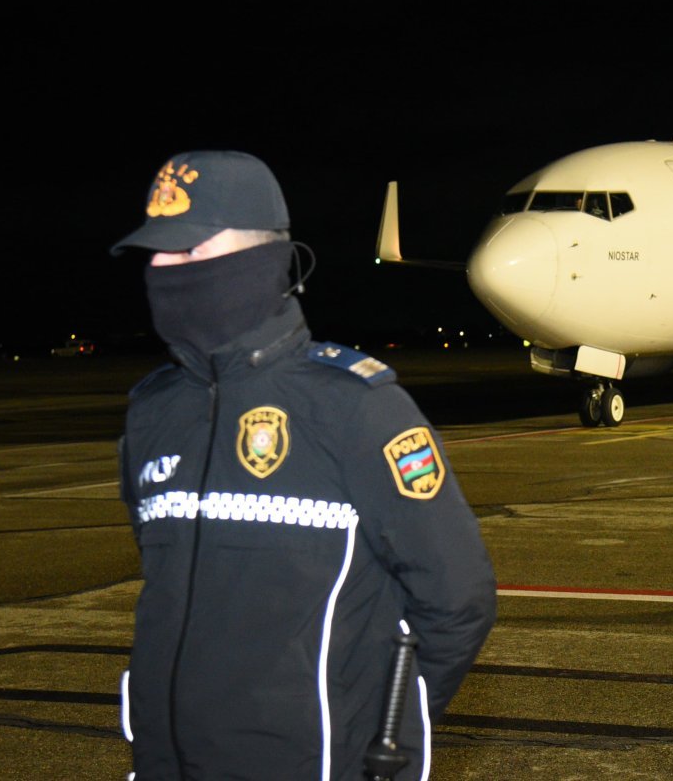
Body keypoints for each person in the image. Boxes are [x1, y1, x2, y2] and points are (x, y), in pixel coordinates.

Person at [111, 151, 496, 781]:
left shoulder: (356, 407)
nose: (159, 269)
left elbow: (457, 599)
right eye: (153, 253)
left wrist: (376, 731)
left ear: (259, 259)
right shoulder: (153, 411)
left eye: (186, 252)